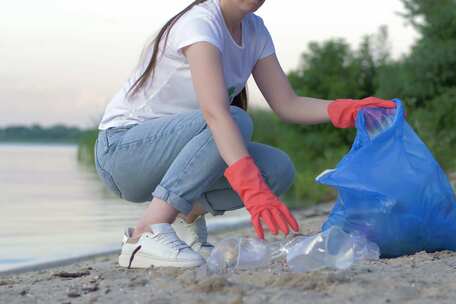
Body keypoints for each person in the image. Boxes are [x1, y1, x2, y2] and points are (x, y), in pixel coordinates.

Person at [94, 0, 395, 269]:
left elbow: (288, 104)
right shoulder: (199, 23)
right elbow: (215, 113)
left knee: (277, 170)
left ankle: (185, 218)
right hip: (123, 153)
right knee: (234, 119)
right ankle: (145, 232)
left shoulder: (255, 31)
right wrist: (250, 188)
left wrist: (351, 110)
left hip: (173, 158)